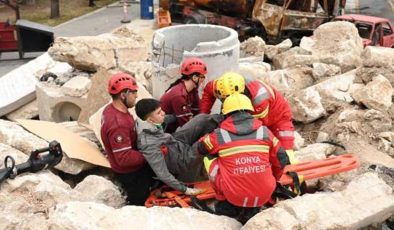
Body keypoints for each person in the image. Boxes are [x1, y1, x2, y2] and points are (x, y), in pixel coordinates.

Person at [195, 93, 289, 223]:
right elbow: (282, 158)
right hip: (265, 193)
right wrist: (273, 178)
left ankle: (222, 200)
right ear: (249, 111)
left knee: (210, 160)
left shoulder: (219, 135)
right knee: (270, 158)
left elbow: (201, 148)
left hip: (233, 196)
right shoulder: (264, 132)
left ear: (226, 114)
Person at [200, 72, 297, 164]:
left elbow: (255, 131)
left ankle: (291, 171)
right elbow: (208, 91)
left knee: (284, 154)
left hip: (278, 117)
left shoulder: (259, 101)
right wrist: (203, 117)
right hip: (255, 110)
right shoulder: (222, 86)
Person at [135, 98, 223, 195]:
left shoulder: (152, 125)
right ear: (149, 120)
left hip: (175, 142)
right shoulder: (149, 145)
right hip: (182, 160)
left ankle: (228, 118)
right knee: (207, 141)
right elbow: (162, 174)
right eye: (159, 112)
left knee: (202, 119)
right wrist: (185, 189)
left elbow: (168, 118)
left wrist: (179, 116)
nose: (163, 113)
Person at [100, 72, 154, 206]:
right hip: (131, 173)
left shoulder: (112, 109)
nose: (136, 95)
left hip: (130, 164)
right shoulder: (118, 124)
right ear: (123, 95)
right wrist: (149, 154)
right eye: (133, 92)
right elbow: (124, 158)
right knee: (141, 203)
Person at [160, 57, 207, 133]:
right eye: (202, 77)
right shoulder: (178, 95)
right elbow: (187, 126)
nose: (203, 80)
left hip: (176, 124)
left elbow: (197, 111)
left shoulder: (192, 90)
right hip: (166, 130)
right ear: (194, 77)